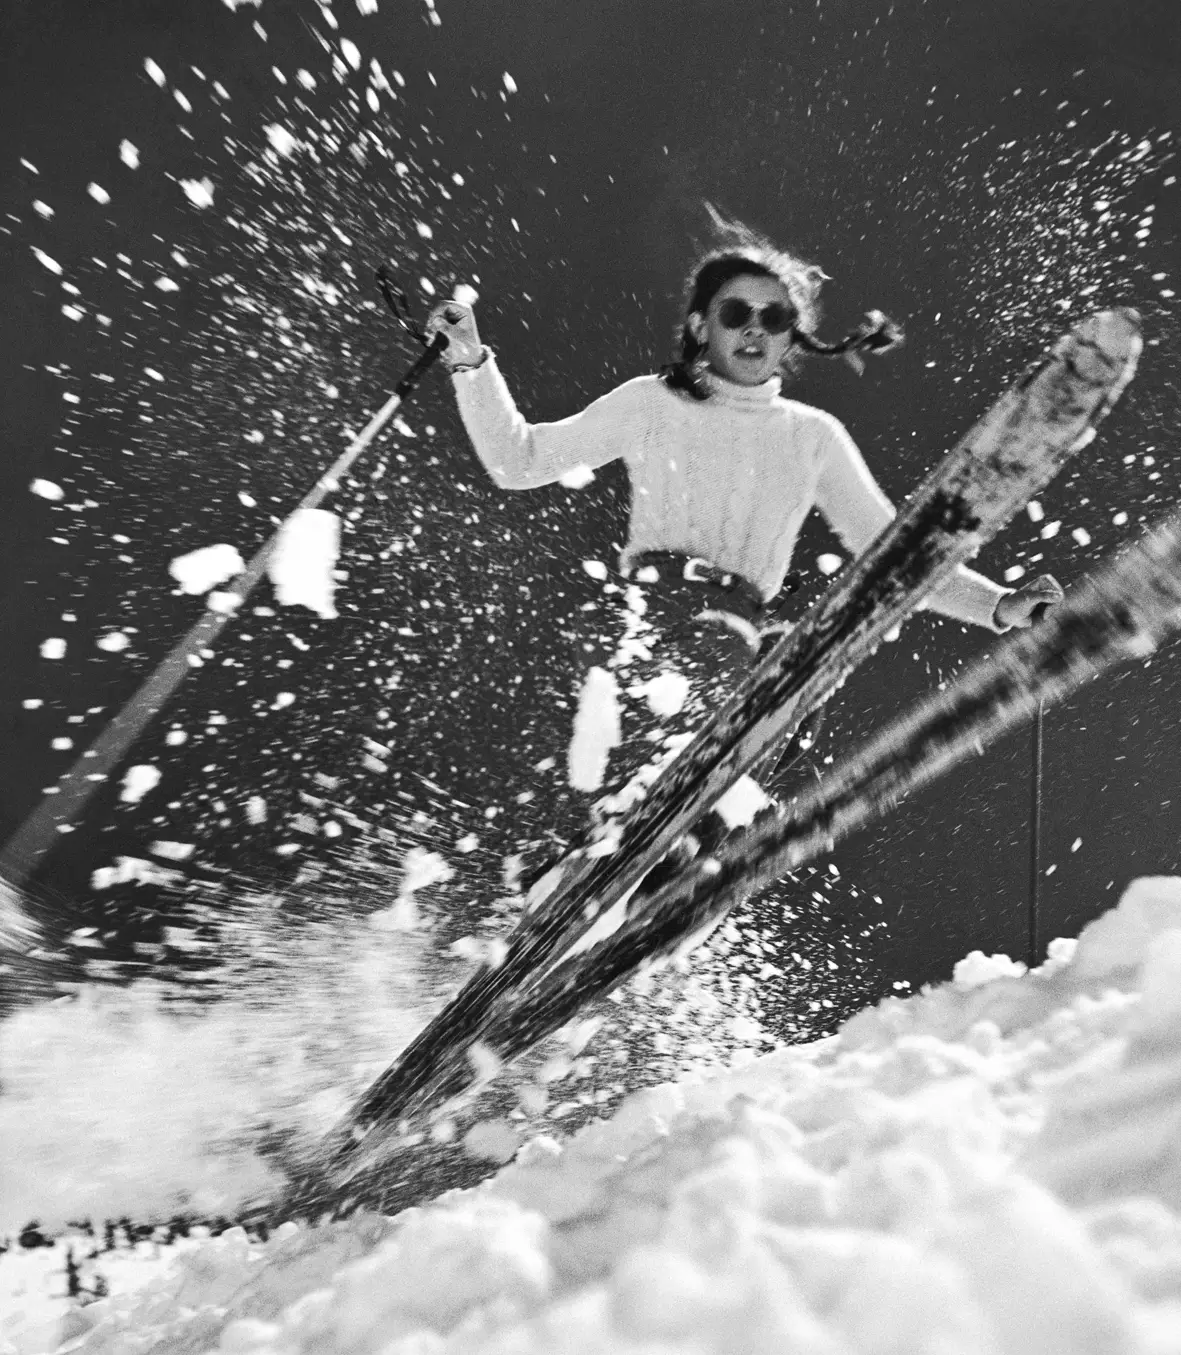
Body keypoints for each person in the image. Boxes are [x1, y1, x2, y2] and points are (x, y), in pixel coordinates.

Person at [424, 223, 1063, 845]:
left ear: (793, 339)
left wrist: (997, 606)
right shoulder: (653, 403)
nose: (755, 329)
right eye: (736, 313)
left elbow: (894, 558)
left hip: (740, 635)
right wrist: (468, 362)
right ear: (702, 327)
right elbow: (522, 460)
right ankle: (643, 818)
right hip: (650, 616)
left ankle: (696, 836)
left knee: (801, 660)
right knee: (727, 638)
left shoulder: (811, 437)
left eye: (775, 318)